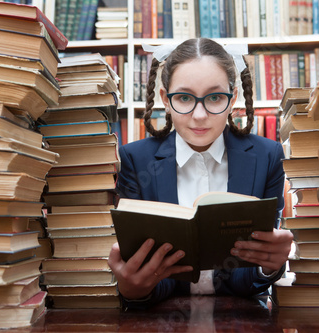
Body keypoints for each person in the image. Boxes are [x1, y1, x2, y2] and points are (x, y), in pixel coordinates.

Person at [108, 38, 293, 309]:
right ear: (165, 100)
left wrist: (269, 267)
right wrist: (134, 289)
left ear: (233, 98)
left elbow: (248, 276)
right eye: (184, 98)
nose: (199, 115)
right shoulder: (135, 161)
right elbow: (152, 279)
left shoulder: (268, 157)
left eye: (215, 97)